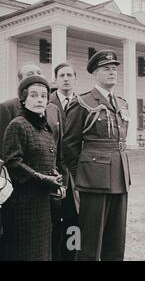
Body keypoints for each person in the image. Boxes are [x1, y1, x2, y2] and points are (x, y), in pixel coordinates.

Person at [63, 50, 130, 261]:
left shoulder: (122, 103)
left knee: (116, 241)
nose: (112, 72)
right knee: (90, 242)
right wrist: (82, 176)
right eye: (106, 69)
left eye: (114, 69)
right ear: (95, 73)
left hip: (120, 177)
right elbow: (69, 145)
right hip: (93, 180)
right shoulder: (83, 102)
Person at [0, 63, 65, 258]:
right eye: (34, 95)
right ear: (24, 99)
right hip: (22, 203)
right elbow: (13, 162)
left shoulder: (45, 128)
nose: (40, 100)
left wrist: (55, 176)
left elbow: (48, 159)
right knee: (24, 251)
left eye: (44, 96)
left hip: (43, 203)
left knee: (42, 251)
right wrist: (43, 179)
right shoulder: (18, 125)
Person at [49, 63, 79, 261]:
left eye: (69, 75)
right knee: (52, 221)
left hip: (76, 173)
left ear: (75, 78)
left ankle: (72, 256)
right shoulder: (46, 102)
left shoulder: (83, 103)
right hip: (53, 171)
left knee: (75, 219)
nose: (66, 78)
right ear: (56, 79)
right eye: (62, 75)